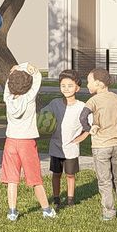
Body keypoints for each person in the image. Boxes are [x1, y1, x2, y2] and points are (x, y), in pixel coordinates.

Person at [1, 62, 53, 220]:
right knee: (34, 177)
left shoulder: (7, 98)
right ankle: (46, 209)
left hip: (10, 141)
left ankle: (12, 211)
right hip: (27, 142)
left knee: (12, 178)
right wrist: (25, 66)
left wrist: (13, 71)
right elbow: (38, 76)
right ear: (27, 86)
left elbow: (7, 84)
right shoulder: (29, 98)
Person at [83, 69, 117, 220]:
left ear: (99, 83)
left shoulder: (93, 101)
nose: (87, 85)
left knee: (105, 181)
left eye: (89, 81)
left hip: (100, 146)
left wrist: (89, 129)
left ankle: (109, 213)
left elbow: (82, 117)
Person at [41, 71, 93, 211]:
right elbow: (43, 116)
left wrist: (81, 138)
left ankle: (70, 199)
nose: (66, 88)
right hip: (56, 146)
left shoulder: (82, 106)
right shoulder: (55, 103)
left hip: (71, 148)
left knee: (70, 174)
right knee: (56, 174)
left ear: (77, 88)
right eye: (63, 85)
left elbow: (90, 125)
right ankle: (56, 198)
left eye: (70, 85)